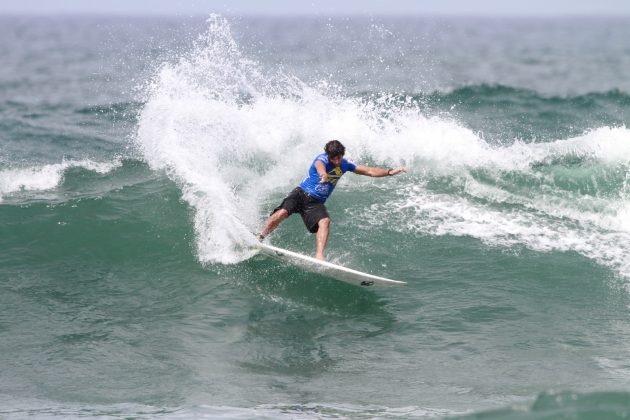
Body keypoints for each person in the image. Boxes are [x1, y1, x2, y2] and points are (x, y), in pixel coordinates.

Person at [257, 140, 407, 260]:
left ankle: (319, 256)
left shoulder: (345, 164)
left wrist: (389, 172)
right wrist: (323, 175)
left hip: (315, 202)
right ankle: (260, 237)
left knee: (325, 222)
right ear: (328, 155)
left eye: (338, 157)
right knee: (282, 212)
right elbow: (319, 166)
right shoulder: (321, 159)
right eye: (333, 158)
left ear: (342, 155)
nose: (336, 160)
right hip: (300, 194)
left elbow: (368, 170)